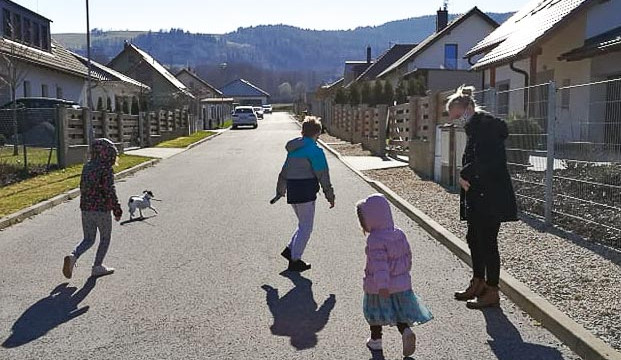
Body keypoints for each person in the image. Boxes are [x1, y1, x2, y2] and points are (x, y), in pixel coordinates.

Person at [447, 85, 518, 309]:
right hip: (479, 194)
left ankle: (492, 290)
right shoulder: (475, 128)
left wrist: (466, 173)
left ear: (468, 108)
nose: (459, 121)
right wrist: (465, 176)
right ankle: (478, 282)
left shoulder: (485, 127)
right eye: (455, 118)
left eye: (459, 116)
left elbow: (491, 160)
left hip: (491, 195)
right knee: (473, 238)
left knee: (488, 241)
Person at [357, 194, 433, 357]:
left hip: (379, 286)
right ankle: (405, 331)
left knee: (375, 313)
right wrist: (404, 274)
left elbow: (379, 266)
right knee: (399, 311)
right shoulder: (399, 233)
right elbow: (408, 255)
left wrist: (382, 285)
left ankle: (376, 340)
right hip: (401, 283)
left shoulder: (375, 239)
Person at [275, 117, 335, 272]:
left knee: (303, 224)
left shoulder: (294, 150)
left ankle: (290, 250)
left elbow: (284, 172)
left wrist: (280, 191)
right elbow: (323, 175)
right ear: (317, 133)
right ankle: (295, 260)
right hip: (306, 191)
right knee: (306, 228)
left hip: (293, 191)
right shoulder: (315, 151)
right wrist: (330, 195)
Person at [63, 138, 123, 279]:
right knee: (105, 238)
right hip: (101, 210)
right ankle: (97, 266)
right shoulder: (106, 169)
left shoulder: (87, 166)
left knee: (88, 239)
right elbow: (109, 190)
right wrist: (117, 209)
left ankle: (73, 257)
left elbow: (82, 187)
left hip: (86, 208)